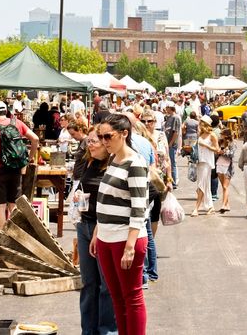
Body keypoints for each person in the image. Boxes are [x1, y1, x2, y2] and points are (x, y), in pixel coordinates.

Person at [91, 114, 149, 335]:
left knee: (132, 297)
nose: (104, 141)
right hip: (107, 236)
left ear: (124, 134)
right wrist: (98, 231)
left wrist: (130, 246)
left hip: (126, 238)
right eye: (101, 136)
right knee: (117, 298)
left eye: (108, 136)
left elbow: (139, 207)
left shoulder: (135, 162)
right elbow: (105, 198)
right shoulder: (114, 159)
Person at [72, 130, 117, 335]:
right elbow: (84, 187)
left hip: (104, 228)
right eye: (88, 141)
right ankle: (88, 331)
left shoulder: (114, 167)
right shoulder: (90, 162)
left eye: (93, 141)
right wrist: (79, 195)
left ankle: (106, 330)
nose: (89, 145)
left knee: (106, 286)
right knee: (89, 283)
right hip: (84, 226)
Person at [0, 101, 39, 229]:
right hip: (16, 168)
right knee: (13, 203)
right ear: (6, 111)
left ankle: (3, 236)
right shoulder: (17, 123)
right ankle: (14, 235)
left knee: (0, 205)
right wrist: (30, 157)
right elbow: (35, 139)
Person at [191, 115, 219, 217]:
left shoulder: (212, 135)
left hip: (207, 162)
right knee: (204, 184)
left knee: (201, 185)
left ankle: (196, 208)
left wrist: (206, 145)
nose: (199, 124)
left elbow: (217, 149)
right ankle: (210, 206)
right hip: (200, 162)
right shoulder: (200, 135)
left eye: (201, 123)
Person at [215, 130, 236, 213]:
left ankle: (223, 205)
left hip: (228, 167)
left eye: (222, 134)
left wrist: (223, 152)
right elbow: (216, 154)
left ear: (226, 135)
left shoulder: (232, 143)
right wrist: (218, 152)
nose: (220, 136)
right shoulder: (219, 142)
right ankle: (227, 205)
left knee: (225, 186)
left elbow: (232, 154)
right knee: (223, 186)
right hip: (219, 164)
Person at [163, 105, 181, 185]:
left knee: (172, 162)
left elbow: (176, 132)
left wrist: (170, 143)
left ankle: (173, 182)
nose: (166, 109)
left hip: (171, 144)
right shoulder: (169, 117)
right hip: (167, 142)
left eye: (167, 108)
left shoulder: (175, 118)